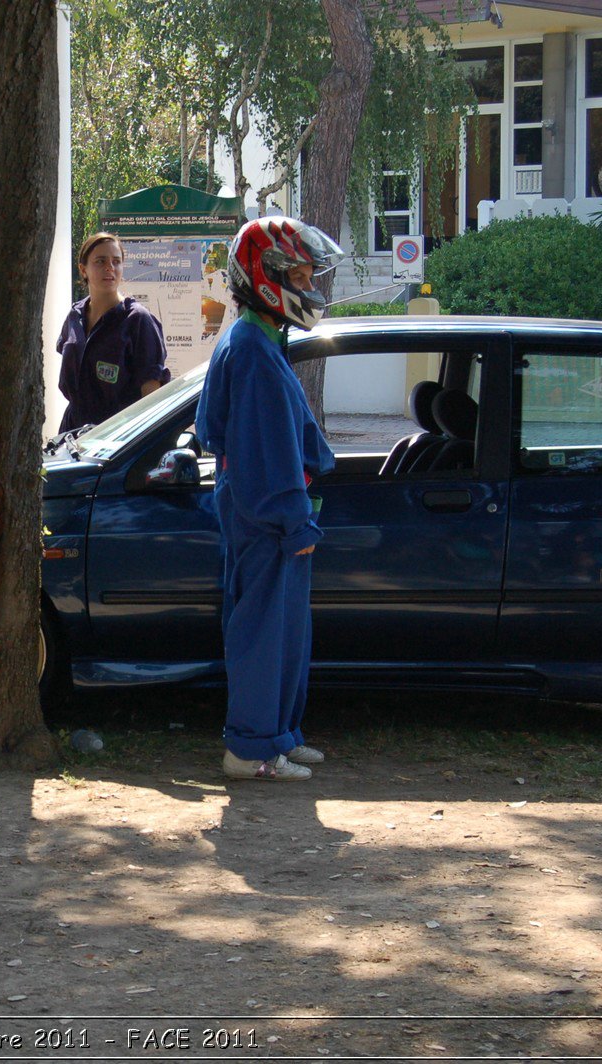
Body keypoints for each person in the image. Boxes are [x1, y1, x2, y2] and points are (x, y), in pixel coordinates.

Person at [195, 216, 343, 782]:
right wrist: (293, 520)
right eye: (300, 274)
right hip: (267, 516)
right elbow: (265, 451)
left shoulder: (259, 337)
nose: (309, 287)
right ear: (268, 276)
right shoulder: (253, 349)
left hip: (267, 512)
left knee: (285, 631)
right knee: (262, 633)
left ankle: (278, 735)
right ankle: (251, 751)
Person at [55, 232, 170, 433]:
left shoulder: (138, 321)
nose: (109, 267)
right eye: (100, 261)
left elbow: (151, 402)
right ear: (83, 270)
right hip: (72, 439)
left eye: (116, 261)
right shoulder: (75, 317)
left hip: (116, 445)